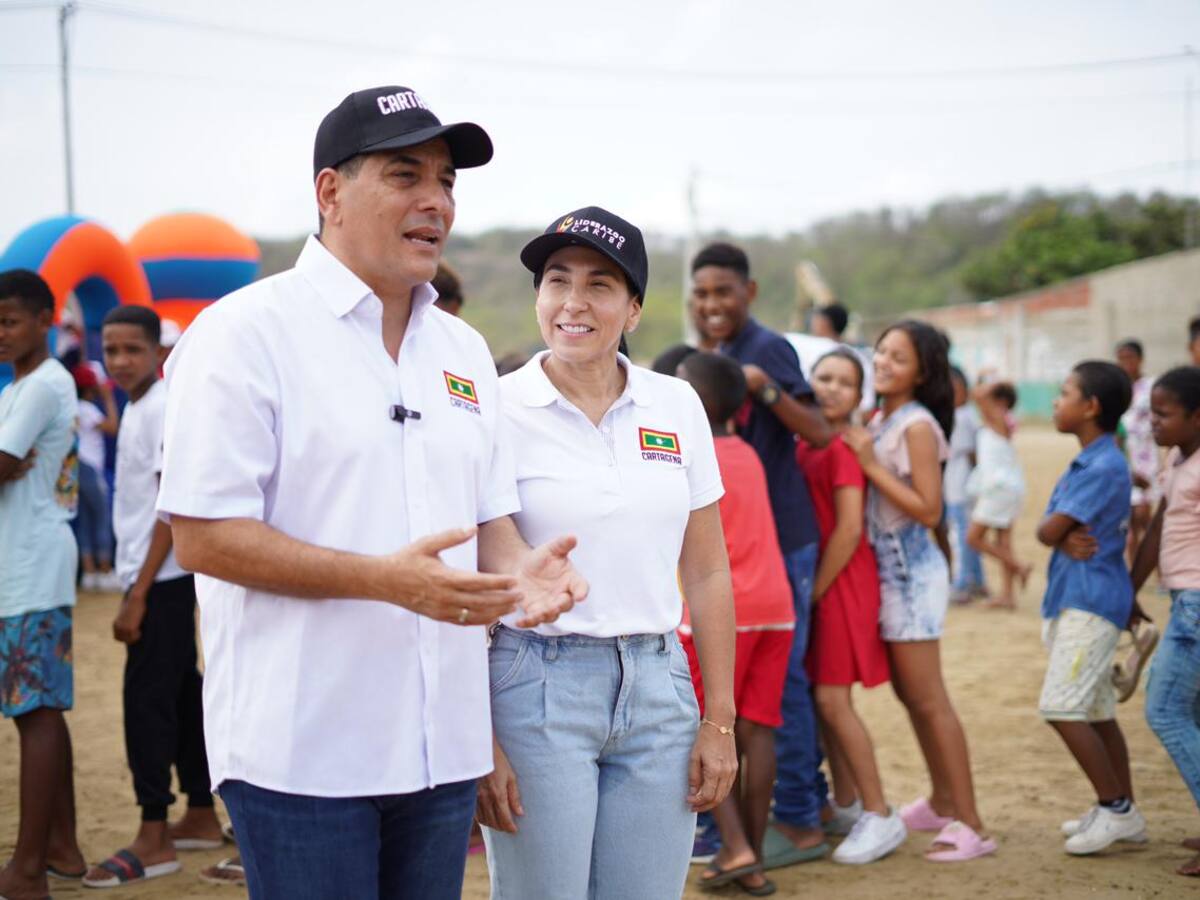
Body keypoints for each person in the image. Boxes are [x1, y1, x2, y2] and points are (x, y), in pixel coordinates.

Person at [155, 86, 586, 900]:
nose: (437, 201)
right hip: (304, 747)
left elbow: (486, 517)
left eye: (448, 181)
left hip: (441, 746)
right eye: (406, 175)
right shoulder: (244, 334)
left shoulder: (460, 350)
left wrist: (525, 568)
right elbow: (205, 537)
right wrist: (386, 581)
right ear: (330, 192)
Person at [476, 207, 737, 900]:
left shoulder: (676, 405)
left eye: (599, 285)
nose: (573, 303)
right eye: (556, 281)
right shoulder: (493, 411)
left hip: (659, 690)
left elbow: (708, 571)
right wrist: (480, 739)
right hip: (535, 688)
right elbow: (472, 576)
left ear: (633, 310)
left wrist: (719, 720)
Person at [689, 241, 835, 868]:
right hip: (739, 549)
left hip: (780, 541)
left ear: (748, 293)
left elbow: (821, 431)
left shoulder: (768, 349)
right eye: (701, 293)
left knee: (784, 688)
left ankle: (800, 817)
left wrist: (765, 390)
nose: (712, 303)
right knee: (747, 698)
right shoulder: (710, 355)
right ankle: (754, 820)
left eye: (723, 291)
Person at [81, 306, 224, 889]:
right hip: (153, 578)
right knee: (182, 695)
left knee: (145, 704)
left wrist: (136, 594)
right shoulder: (138, 408)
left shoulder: (162, 408)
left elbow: (172, 507)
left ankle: (153, 832)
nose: (120, 361)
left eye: (132, 350)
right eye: (111, 351)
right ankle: (198, 812)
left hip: (160, 581)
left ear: (158, 355)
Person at [843, 319, 995, 862]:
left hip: (910, 572)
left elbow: (930, 509)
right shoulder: (883, 417)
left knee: (930, 700)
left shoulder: (916, 426)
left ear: (922, 371)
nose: (883, 362)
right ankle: (942, 799)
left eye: (898, 357)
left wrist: (867, 463)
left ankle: (972, 822)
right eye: (881, 351)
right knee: (913, 697)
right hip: (892, 571)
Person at [673, 350, 792, 895]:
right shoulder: (747, 451)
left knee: (708, 728)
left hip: (720, 616)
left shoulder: (691, 456)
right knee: (757, 732)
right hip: (775, 609)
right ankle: (754, 856)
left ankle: (735, 844)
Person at [0, 268, 87, 899]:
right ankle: (60, 846)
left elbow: (3, 464)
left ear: (44, 320)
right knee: (38, 709)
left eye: (9, 321)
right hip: (22, 562)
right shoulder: (21, 386)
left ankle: (28, 870)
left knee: (34, 712)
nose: (1, 333)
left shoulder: (41, 387)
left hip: (31, 562)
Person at [1035, 360, 1143, 855]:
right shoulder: (1094, 459)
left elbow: (1047, 530)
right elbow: (1054, 531)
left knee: (1061, 705)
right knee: (1098, 709)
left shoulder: (1101, 465)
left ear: (1091, 407)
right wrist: (1056, 535)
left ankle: (1115, 807)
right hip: (1080, 595)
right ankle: (1123, 810)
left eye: (1064, 392)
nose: (1057, 401)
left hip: (1091, 601)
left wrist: (1054, 535)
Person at [801, 348, 904, 865]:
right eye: (824, 377)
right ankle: (846, 803)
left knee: (832, 703)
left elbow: (847, 529)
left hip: (841, 581)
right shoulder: (806, 437)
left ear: (860, 395)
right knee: (824, 703)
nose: (832, 388)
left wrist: (813, 592)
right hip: (821, 579)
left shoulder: (844, 447)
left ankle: (880, 813)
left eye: (845, 382)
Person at [1128, 366, 1200, 877]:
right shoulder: (1179, 460)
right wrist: (1126, 589)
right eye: (1150, 412)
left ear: (1197, 417)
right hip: (1184, 600)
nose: (1153, 422)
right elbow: (1157, 525)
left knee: (1166, 710)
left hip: (1197, 604)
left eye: (1164, 413)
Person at [965, 381, 1030, 610]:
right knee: (1003, 540)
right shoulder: (1000, 419)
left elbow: (976, 394)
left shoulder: (997, 415)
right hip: (1006, 485)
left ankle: (1019, 566)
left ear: (1000, 401)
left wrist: (994, 381)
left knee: (973, 538)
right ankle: (1007, 595)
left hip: (999, 487)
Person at [71, 363, 121, 593]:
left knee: (87, 520)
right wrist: (109, 397)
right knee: (101, 516)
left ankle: (89, 572)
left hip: (77, 467)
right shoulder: (87, 408)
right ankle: (104, 569)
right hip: (90, 467)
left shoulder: (74, 406)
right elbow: (112, 426)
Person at [944, 367, 986, 604]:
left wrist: (974, 478)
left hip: (960, 487)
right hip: (957, 485)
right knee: (966, 534)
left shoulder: (961, 417)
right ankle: (977, 580)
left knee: (960, 536)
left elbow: (971, 453)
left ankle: (962, 584)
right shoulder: (966, 415)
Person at [1115, 339, 1159, 562]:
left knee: (1145, 515)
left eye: (1130, 358)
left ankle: (1159, 570)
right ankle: (1133, 568)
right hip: (1125, 457)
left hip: (1147, 456)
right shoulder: (1118, 389)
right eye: (1121, 359)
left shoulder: (1152, 386)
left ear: (1140, 359)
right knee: (1130, 518)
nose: (1125, 364)